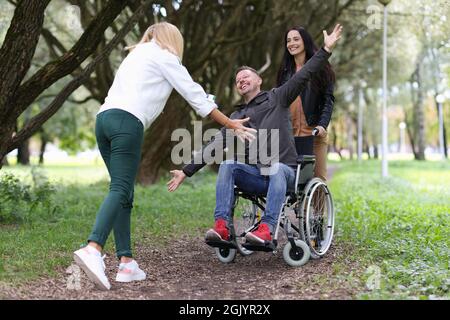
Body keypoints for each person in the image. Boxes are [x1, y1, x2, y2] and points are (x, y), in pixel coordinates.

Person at [73, 22, 256, 290]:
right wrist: (231, 123)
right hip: (127, 122)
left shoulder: (135, 55)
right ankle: (93, 247)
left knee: (123, 191)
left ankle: (126, 263)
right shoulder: (164, 55)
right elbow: (195, 95)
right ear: (172, 39)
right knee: (121, 187)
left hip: (104, 120)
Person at [168, 24, 342, 246]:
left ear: (259, 81)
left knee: (276, 167)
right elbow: (215, 144)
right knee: (228, 165)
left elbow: (305, 74)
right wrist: (186, 171)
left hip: (285, 173)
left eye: (246, 76)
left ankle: (267, 230)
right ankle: (222, 227)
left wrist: (325, 50)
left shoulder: (278, 98)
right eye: (238, 80)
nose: (241, 80)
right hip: (258, 177)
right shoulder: (237, 116)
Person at [276, 26, 336, 181]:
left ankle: (318, 206)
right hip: (290, 135)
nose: (291, 43)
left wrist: (322, 125)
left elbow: (328, 100)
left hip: (314, 133)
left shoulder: (321, 67)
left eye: (296, 39)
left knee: (317, 178)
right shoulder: (284, 71)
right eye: (288, 40)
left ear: (305, 42)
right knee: (292, 180)